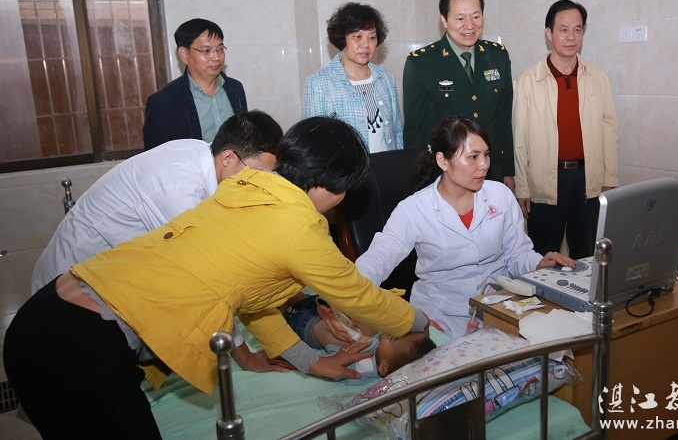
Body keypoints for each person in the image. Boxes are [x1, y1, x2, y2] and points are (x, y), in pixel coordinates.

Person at [4, 117, 429, 439]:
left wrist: (312, 361)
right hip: (79, 344)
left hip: (48, 315)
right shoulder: (300, 227)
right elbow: (358, 297)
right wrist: (419, 321)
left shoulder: (245, 188)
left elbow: (253, 299)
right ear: (331, 185)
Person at [355, 116, 574, 339]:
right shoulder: (414, 209)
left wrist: (539, 263)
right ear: (443, 161)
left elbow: (517, 254)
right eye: (473, 157)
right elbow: (379, 258)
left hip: (498, 309)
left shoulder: (500, 195)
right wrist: (348, 293)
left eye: (486, 154)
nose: (484, 164)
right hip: (438, 317)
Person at [32, 110, 283, 294]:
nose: (260, 183)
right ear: (228, 157)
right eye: (258, 174)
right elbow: (203, 270)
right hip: (71, 280)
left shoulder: (203, 154)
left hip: (108, 277)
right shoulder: (178, 186)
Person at [513, 0, 619, 259]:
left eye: (577, 29)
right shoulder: (527, 81)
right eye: (563, 29)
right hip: (546, 181)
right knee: (543, 255)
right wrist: (523, 187)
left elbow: (609, 129)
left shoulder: (597, 76)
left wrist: (610, 179)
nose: (571, 37)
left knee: (587, 255)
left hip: (588, 180)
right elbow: (519, 139)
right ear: (549, 33)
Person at [403, 0, 514, 188]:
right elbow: (414, 131)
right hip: (445, 176)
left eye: (476, 16)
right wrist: (419, 181)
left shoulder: (497, 56)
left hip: (490, 171)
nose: (470, 25)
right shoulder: (422, 63)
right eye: (460, 18)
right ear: (444, 20)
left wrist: (508, 169)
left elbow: (503, 119)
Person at [302, 2, 403, 152]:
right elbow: (312, 143)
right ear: (342, 38)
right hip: (346, 167)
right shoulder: (319, 83)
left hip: (387, 163)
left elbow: (397, 131)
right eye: (358, 37)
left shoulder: (385, 78)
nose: (366, 45)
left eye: (372, 37)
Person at [143, 18, 248, 150]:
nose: (216, 57)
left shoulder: (235, 89)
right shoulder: (163, 102)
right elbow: (154, 156)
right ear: (184, 54)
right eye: (206, 50)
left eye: (220, 49)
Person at [283, 293, 436, 383]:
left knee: (285, 299)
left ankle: (289, 304)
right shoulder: (386, 348)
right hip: (328, 308)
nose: (392, 333)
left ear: (383, 368)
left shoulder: (362, 366)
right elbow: (421, 320)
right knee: (301, 294)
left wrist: (296, 361)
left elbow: (332, 367)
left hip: (305, 322)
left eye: (393, 339)